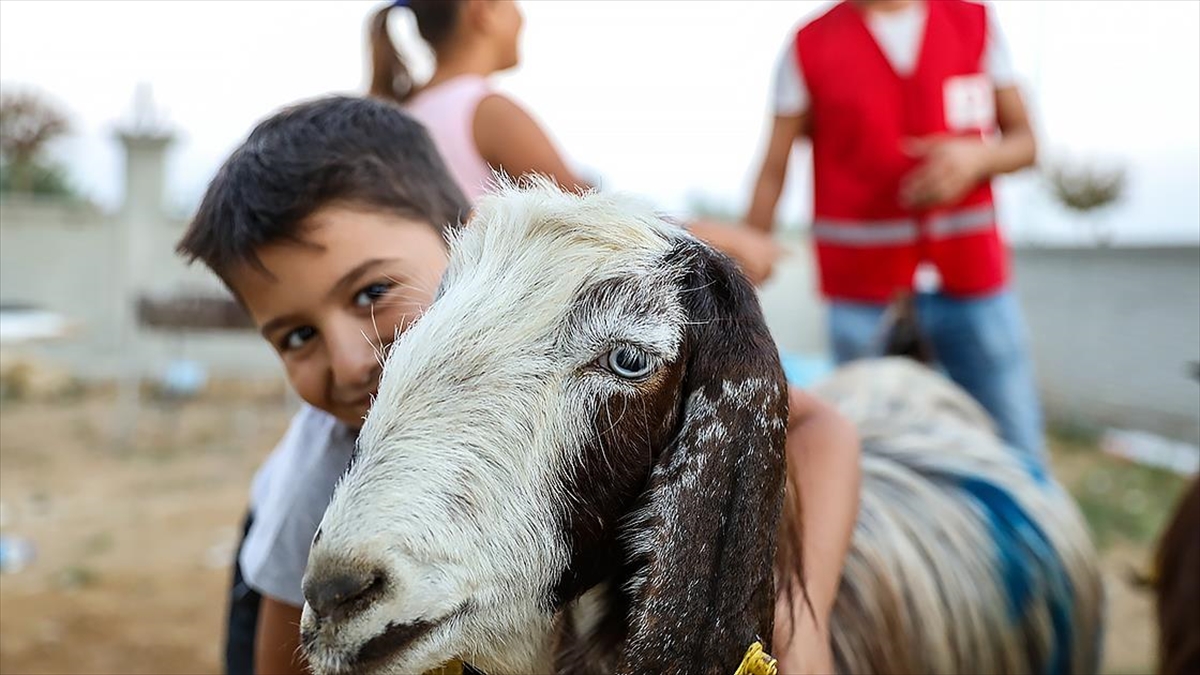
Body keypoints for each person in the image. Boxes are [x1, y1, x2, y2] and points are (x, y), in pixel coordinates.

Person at [179, 96, 860, 674]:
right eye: (296, 337)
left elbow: (816, 425)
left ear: (470, 242)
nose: (352, 358)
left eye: (374, 292)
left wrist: (797, 620)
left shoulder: (546, 358)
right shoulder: (318, 474)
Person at [745, 0, 1045, 460]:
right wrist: (740, 270)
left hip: (972, 279)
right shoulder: (809, 44)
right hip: (862, 292)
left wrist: (977, 157)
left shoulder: (974, 23)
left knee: (1016, 446)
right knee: (873, 457)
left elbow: (1026, 143)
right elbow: (773, 168)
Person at [369, 0, 785, 286]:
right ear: (483, 10)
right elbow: (595, 220)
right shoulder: (486, 111)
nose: (522, 16)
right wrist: (722, 239)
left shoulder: (408, 110)